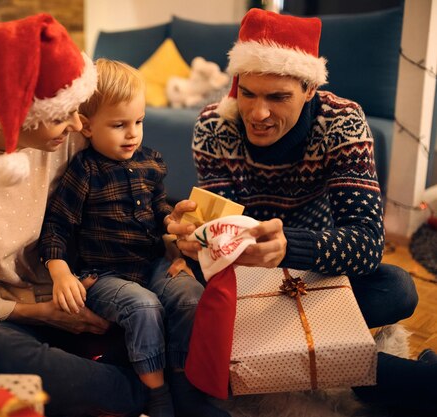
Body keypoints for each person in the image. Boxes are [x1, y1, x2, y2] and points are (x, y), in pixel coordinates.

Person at [167, 8, 437, 414]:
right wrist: (193, 235)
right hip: (244, 279)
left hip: (315, 267)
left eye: (278, 97)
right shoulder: (213, 126)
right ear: (236, 83)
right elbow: (216, 230)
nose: (258, 113)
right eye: (248, 93)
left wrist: (288, 246)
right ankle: (416, 383)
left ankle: (277, 349)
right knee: (197, 302)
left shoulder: (342, 122)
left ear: (309, 88)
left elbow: (365, 244)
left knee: (397, 289)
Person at [0, 14, 154, 417]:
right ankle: (143, 395)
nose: (78, 124)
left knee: (146, 311)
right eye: (63, 115)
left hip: (72, 305)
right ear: (17, 116)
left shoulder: (69, 138)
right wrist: (39, 313)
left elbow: (127, 189)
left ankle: (107, 388)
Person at [39, 59, 228, 417]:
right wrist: (60, 271)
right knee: (144, 307)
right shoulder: (84, 170)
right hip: (104, 275)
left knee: (190, 297)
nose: (132, 134)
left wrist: (173, 222)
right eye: (119, 125)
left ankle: (185, 385)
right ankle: (156, 396)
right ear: (87, 127)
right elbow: (57, 226)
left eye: (138, 122)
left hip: (151, 263)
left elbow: (159, 214)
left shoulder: (150, 163)